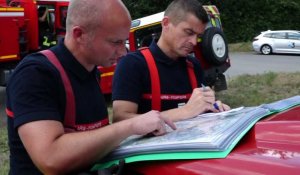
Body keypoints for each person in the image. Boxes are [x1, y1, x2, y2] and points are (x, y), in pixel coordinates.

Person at [6, 0, 175, 174]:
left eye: (124, 42)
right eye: (116, 42)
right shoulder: (35, 74)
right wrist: (130, 126)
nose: (123, 52)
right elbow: (50, 159)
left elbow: (94, 139)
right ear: (80, 34)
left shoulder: (91, 71)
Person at [112, 0, 230, 123]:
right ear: (166, 23)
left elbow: (198, 112)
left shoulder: (194, 66)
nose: (194, 42)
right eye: (189, 32)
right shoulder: (132, 65)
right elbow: (120, 121)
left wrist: (213, 109)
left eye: (198, 36)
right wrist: (184, 111)